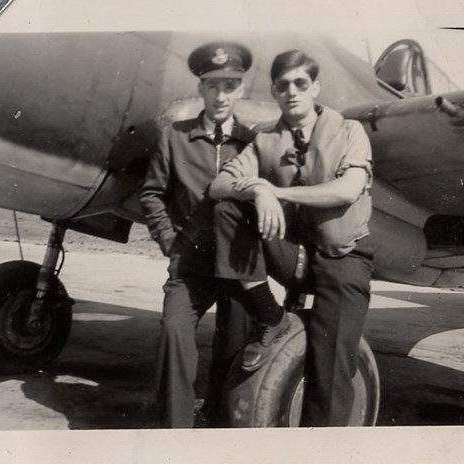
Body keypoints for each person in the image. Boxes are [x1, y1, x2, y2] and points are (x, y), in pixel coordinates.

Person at [209, 49, 374, 426]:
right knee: (228, 210)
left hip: (343, 258)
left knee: (330, 365)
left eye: (301, 83)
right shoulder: (266, 140)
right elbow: (219, 186)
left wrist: (275, 192)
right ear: (274, 91)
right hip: (294, 253)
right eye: (282, 85)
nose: (292, 92)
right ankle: (269, 314)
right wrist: (256, 192)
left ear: (315, 87)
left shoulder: (350, 131)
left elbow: (348, 189)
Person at [138, 42, 255, 428]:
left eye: (230, 86)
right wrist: (169, 241)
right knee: (174, 331)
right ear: (201, 89)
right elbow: (152, 194)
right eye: (213, 86)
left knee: (234, 348)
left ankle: (219, 422)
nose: (221, 96)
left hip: (238, 265)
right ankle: (176, 430)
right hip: (190, 263)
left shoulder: (253, 142)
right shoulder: (175, 137)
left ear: (241, 90)